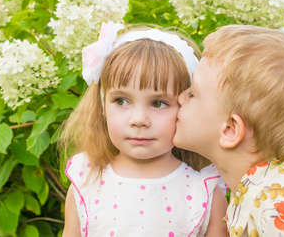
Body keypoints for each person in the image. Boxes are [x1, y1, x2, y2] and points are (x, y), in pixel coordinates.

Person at [174, 25, 284, 237]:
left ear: (230, 129)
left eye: (193, 93)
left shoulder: (280, 206)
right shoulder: (273, 186)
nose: (180, 98)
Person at [61, 22, 228, 237]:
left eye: (158, 103)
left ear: (186, 107)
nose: (139, 120)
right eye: (121, 101)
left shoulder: (203, 195)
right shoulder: (86, 184)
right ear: (103, 105)